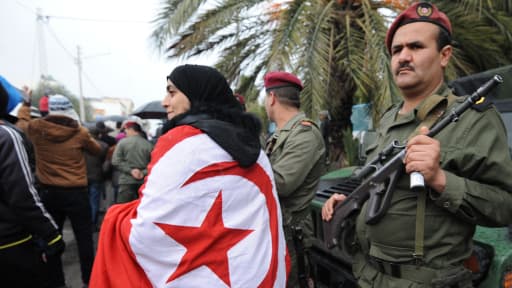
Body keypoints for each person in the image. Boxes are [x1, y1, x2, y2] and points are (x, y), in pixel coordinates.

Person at [321, 2, 512, 287]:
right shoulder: (387, 118)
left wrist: (440, 179)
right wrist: (349, 202)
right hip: (367, 276)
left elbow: (506, 206)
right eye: (397, 50)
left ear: (444, 55)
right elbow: (376, 182)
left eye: (416, 47)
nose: (403, 57)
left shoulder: (474, 119)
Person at [90, 64, 287, 287]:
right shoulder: (257, 151)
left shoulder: (178, 142)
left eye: (172, 92)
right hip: (249, 275)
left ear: (195, 94)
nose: (165, 101)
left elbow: (147, 227)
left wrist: (115, 218)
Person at [17, 94, 102, 288]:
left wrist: (26, 104)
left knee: (52, 238)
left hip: (49, 192)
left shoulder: (36, 128)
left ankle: (57, 282)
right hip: (76, 193)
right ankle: (89, 280)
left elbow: (21, 125)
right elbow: (97, 150)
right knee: (84, 239)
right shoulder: (79, 132)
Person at [0, 77, 65, 288]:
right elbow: (22, 194)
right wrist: (51, 233)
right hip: (11, 243)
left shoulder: (28, 130)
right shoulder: (7, 136)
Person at [263, 71, 326, 287]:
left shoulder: (304, 134)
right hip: (277, 232)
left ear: (271, 98)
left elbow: (281, 183)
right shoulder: (281, 135)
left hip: (292, 237)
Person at [111, 120, 153, 203]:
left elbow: (115, 161)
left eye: (126, 129)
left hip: (126, 181)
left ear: (131, 129)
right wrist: (143, 172)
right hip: (143, 182)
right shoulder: (149, 145)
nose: (125, 132)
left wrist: (131, 171)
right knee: (141, 208)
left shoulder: (122, 143)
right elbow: (154, 164)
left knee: (123, 209)